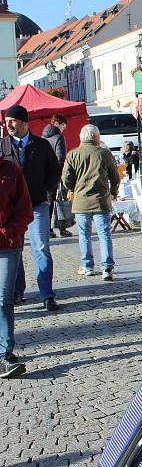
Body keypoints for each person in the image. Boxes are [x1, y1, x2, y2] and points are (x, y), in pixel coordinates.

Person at [0, 104, 61, 311]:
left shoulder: (41, 145)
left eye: (13, 120)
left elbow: (55, 171)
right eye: (6, 121)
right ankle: (17, 291)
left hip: (37, 204)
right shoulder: (3, 146)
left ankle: (47, 294)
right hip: (12, 209)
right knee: (14, 248)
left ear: (24, 122)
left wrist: (46, 190)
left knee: (41, 248)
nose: (8, 124)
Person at [61, 125, 120, 282]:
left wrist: (73, 188)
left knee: (84, 235)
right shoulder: (104, 154)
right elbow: (115, 176)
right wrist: (114, 192)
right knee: (104, 234)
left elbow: (66, 178)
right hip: (101, 201)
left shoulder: (73, 154)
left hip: (81, 202)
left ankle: (87, 267)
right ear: (95, 137)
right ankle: (107, 268)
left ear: (82, 137)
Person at [0, 159, 33, 378]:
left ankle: (5, 353)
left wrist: (10, 232)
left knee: (3, 298)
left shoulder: (11, 172)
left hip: (7, 246)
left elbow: (25, 211)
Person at [42, 114, 72, 237]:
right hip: (55, 176)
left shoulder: (42, 137)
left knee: (46, 204)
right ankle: (62, 229)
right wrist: (61, 176)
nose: (64, 128)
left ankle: (47, 230)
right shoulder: (58, 137)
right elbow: (61, 159)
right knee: (61, 202)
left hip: (43, 176)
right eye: (64, 125)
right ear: (59, 123)